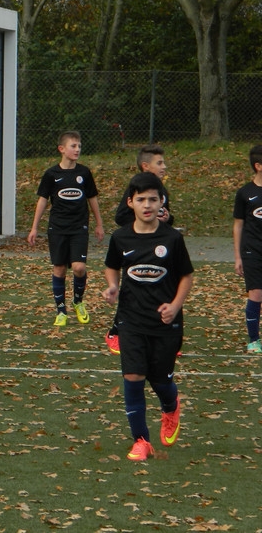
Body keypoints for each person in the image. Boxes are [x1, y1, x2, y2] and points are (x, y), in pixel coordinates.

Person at [103, 172, 192, 461]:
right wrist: (112, 286)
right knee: (133, 376)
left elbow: (187, 276)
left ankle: (170, 406)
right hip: (131, 319)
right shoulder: (120, 237)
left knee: (160, 380)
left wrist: (175, 306)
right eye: (141, 199)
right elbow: (112, 266)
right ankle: (141, 441)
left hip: (166, 323)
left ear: (161, 201)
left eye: (153, 199)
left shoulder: (172, 238)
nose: (147, 205)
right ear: (130, 202)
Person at [27, 130, 105, 327]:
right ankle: (61, 311)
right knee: (60, 269)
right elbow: (42, 201)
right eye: (73, 146)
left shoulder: (84, 173)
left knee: (79, 267)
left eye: (79, 146)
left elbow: (92, 198)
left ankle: (78, 301)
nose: (77, 149)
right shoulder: (51, 174)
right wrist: (34, 227)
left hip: (79, 227)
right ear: (61, 149)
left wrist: (99, 223)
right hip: (58, 228)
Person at [106, 144, 175, 355]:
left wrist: (168, 218)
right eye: (159, 163)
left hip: (159, 247)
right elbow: (120, 217)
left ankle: (164, 336)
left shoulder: (161, 190)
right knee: (134, 289)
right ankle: (115, 332)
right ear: (146, 166)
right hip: (137, 248)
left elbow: (166, 217)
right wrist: (140, 224)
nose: (164, 167)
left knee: (161, 287)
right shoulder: (135, 188)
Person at [233, 144, 262, 354]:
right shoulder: (245, 193)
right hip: (252, 251)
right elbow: (238, 225)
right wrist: (238, 257)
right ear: (258, 166)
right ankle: (254, 340)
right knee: (256, 294)